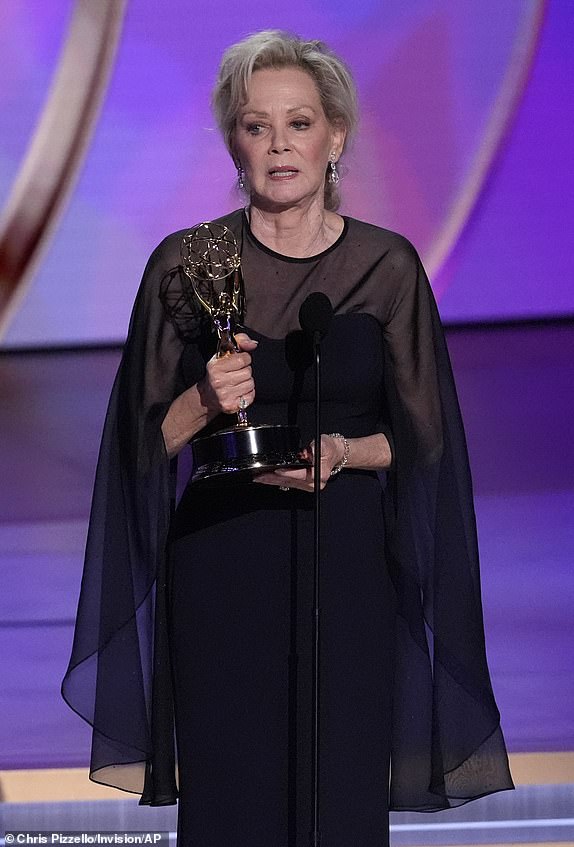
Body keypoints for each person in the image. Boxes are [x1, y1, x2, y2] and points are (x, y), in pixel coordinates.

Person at [62, 30, 513, 846]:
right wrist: (200, 401)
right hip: (222, 565)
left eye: (298, 124)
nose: (279, 146)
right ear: (234, 141)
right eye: (256, 125)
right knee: (235, 795)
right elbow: (132, 447)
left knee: (338, 790)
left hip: (345, 565)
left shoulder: (387, 268)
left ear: (335, 135)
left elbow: (426, 441)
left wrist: (344, 451)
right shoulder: (185, 266)